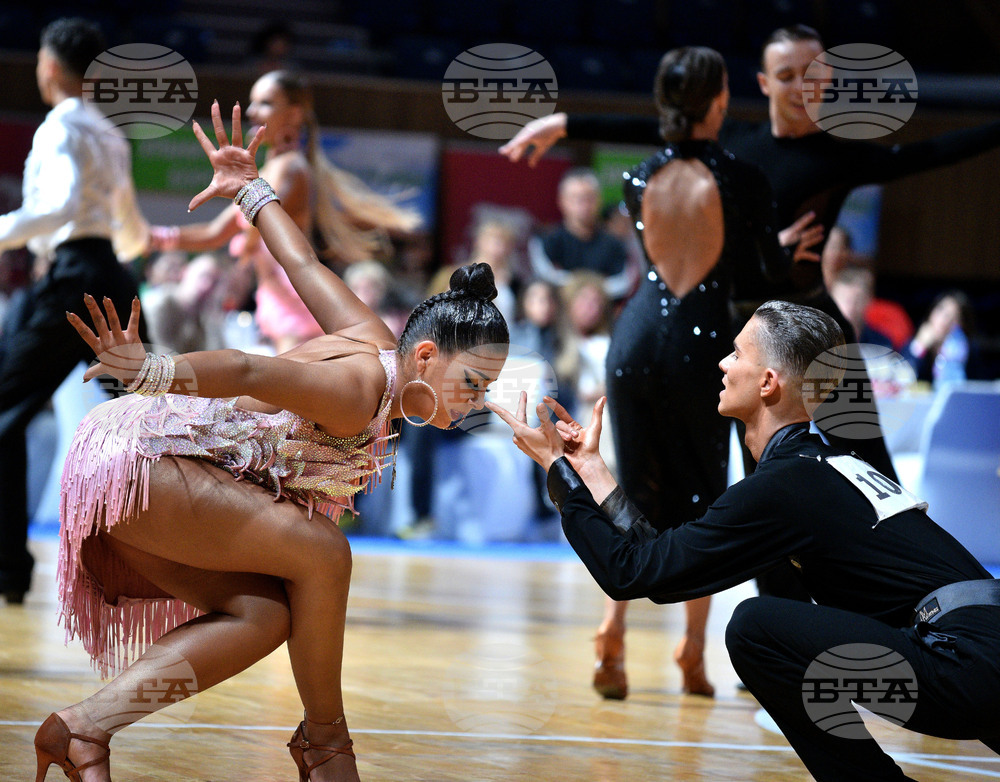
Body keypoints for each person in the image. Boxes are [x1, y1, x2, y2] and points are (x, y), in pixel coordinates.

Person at [33, 102, 509, 782]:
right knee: (324, 554)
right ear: (426, 356)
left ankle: (82, 730)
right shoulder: (356, 395)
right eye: (474, 383)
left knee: (262, 615)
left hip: (141, 465)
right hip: (139, 460)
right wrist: (156, 370)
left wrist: (250, 188)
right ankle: (325, 744)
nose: (477, 404)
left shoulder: (377, 339)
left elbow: (302, 262)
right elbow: (253, 367)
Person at [489, 300, 1000, 782]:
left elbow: (634, 575)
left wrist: (559, 475)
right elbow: (660, 559)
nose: (722, 363)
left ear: (768, 383)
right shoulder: (828, 469)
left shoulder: (784, 487)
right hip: (980, 652)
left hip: (962, 665)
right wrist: (592, 470)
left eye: (736, 353)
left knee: (756, 628)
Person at [499, 23, 1000, 484]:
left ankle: (898, 574)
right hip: (749, 331)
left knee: (869, 464)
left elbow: (929, 154)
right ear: (764, 84)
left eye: (812, 74)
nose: (801, 87)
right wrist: (562, 123)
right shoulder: (735, 144)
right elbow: (649, 128)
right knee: (764, 476)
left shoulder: (841, 153)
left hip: (818, 324)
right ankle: (775, 584)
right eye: (787, 76)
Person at [567, 47, 825, 701]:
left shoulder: (637, 176)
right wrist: (788, 250)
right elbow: (763, 273)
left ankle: (612, 631)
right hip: (700, 341)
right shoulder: (743, 177)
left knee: (631, 488)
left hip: (633, 339)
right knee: (704, 502)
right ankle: (689, 651)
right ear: (718, 102)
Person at [0, 18, 150, 605]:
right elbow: (132, 232)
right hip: (114, 274)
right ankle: (178, 564)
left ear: (51, 66)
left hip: (73, 281)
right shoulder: (110, 133)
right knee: (151, 425)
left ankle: (8, 570)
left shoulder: (59, 126)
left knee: (5, 417)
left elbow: (56, 205)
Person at [149, 70, 420, 354]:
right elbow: (215, 233)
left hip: (292, 300)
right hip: (277, 296)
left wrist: (241, 258)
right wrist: (153, 238)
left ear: (293, 114)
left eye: (265, 103)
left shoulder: (292, 168)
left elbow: (246, 226)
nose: (252, 111)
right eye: (252, 102)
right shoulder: (271, 169)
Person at [528, 168, 633, 301]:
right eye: (576, 198)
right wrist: (587, 289)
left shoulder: (616, 245)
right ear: (561, 201)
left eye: (589, 198)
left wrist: (587, 294)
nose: (583, 204)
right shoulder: (546, 241)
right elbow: (545, 278)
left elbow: (623, 283)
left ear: (599, 200)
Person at [903, 290, 977, 386]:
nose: (944, 320)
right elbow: (902, 378)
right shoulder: (914, 344)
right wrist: (919, 347)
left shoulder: (969, 353)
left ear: (963, 325)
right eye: (940, 310)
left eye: (954, 317)